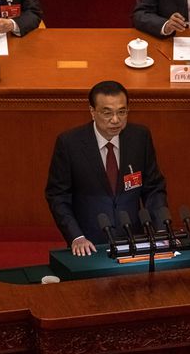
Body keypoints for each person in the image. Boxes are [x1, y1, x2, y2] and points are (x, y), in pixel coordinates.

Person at [45, 81, 168, 256]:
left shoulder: (139, 137)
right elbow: (57, 195)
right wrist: (76, 236)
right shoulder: (69, 144)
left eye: (122, 112)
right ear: (92, 111)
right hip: (89, 243)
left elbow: (154, 187)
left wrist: (161, 228)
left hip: (134, 238)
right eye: (107, 112)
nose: (116, 120)